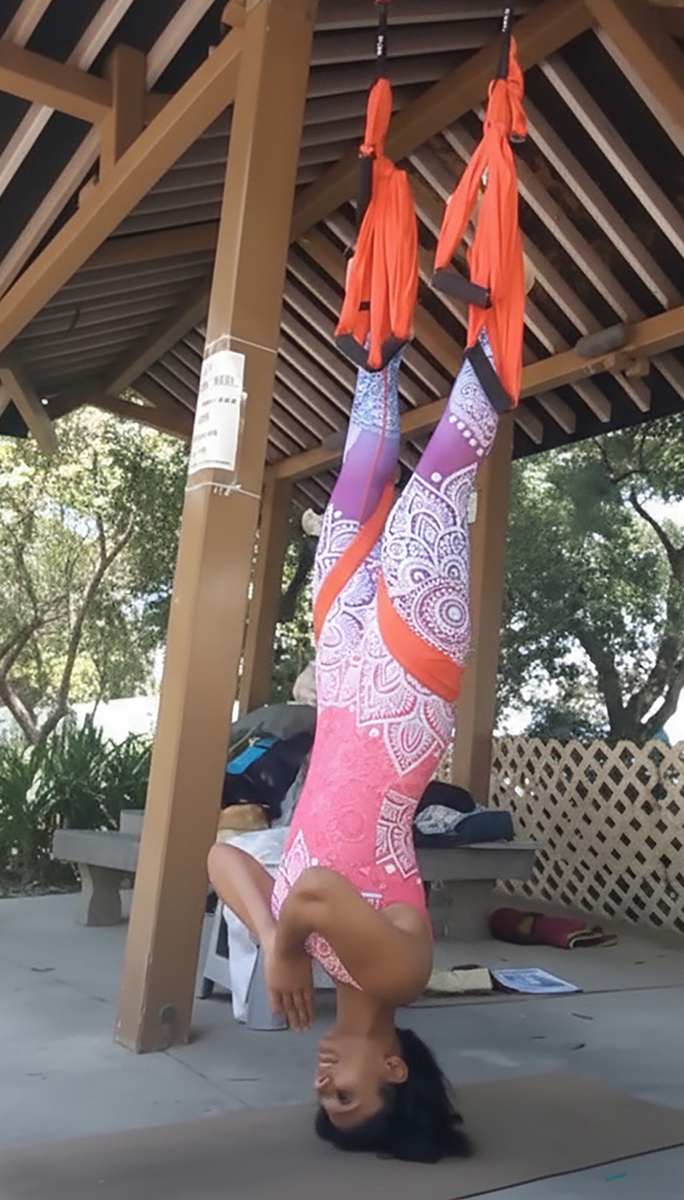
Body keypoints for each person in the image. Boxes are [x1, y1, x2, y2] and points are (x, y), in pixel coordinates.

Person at [208, 341, 505, 1163]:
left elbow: (222, 858)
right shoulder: (396, 976)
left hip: (341, 681)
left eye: (321, 1099)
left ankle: (379, 345)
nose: (322, 1079)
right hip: (410, 685)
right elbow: (322, 889)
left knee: (357, 490)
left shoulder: (321, 965)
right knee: (437, 482)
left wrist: (277, 941)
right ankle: (497, 323)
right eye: (346, 1094)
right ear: (395, 1068)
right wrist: (281, 941)